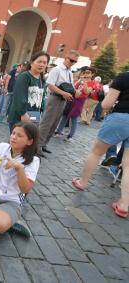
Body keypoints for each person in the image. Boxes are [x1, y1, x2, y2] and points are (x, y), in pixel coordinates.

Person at [72, 71, 129, 218]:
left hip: (121, 117)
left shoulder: (124, 77)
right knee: (128, 165)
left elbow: (107, 103)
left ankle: (83, 182)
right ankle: (123, 205)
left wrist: (105, 102)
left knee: (96, 152)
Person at [38, 50, 79, 156]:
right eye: (71, 60)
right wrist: (63, 93)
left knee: (54, 124)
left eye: (75, 61)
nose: (73, 63)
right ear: (66, 57)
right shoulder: (57, 69)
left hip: (63, 99)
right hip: (55, 98)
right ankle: (37, 146)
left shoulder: (70, 72)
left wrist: (73, 92)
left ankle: (44, 144)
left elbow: (69, 86)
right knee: (46, 123)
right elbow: (50, 85)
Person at [8, 51, 49, 132]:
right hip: (20, 116)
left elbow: (41, 99)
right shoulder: (25, 76)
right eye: (39, 61)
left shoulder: (41, 80)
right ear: (32, 62)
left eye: (44, 62)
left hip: (34, 116)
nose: (42, 64)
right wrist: (23, 113)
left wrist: (40, 113)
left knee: (28, 142)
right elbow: (19, 97)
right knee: (18, 142)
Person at [55, 66, 94, 141]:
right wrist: (78, 84)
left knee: (74, 118)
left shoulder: (92, 83)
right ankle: (58, 131)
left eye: (88, 73)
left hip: (79, 101)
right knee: (65, 115)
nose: (86, 74)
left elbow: (86, 92)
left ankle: (70, 136)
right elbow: (73, 87)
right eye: (86, 72)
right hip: (72, 99)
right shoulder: (80, 81)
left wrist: (85, 82)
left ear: (92, 74)